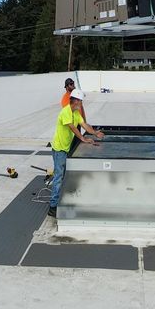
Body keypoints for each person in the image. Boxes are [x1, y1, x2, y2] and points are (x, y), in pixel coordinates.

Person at [48, 88, 103, 218]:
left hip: (65, 148)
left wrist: (95, 133)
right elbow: (73, 128)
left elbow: (84, 125)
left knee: (63, 176)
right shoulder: (66, 112)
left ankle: (61, 200)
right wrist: (83, 138)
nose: (82, 104)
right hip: (59, 149)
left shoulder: (75, 113)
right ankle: (53, 207)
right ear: (76, 101)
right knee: (58, 177)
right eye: (81, 101)